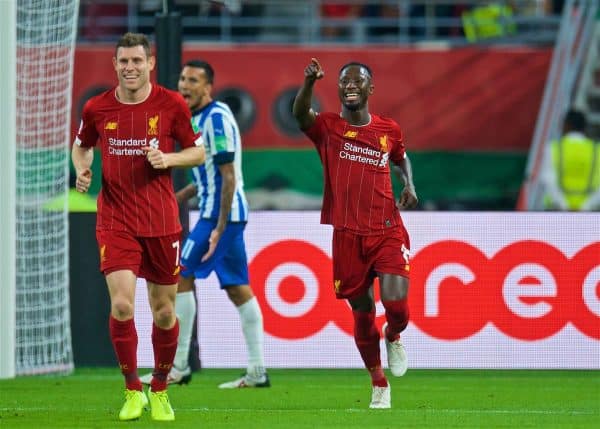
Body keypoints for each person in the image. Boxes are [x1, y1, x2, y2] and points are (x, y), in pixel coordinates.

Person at [71, 33, 205, 421]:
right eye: (123, 61)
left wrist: (168, 159)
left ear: (150, 64)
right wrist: (82, 166)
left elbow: (197, 151)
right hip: (115, 219)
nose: (130, 67)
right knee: (123, 304)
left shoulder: (171, 104)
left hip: (161, 220)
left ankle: (160, 389)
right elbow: (82, 144)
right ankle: (132, 389)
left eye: (136, 61)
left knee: (164, 312)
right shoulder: (98, 107)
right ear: (114, 65)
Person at [292, 58, 418, 409]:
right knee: (362, 311)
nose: (349, 85)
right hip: (347, 235)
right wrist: (308, 84)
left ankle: (393, 334)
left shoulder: (388, 129)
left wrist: (408, 181)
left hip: (387, 230)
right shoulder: (328, 127)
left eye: (357, 81)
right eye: (344, 81)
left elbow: (401, 156)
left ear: (370, 88)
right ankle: (379, 383)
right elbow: (300, 115)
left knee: (395, 305)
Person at [140, 59, 270, 389]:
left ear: (207, 87)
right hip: (221, 213)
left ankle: (179, 367)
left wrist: (219, 227)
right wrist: (177, 197)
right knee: (238, 289)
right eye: (182, 78)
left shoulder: (217, 118)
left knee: (180, 275)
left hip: (220, 216)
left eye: (193, 80)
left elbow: (228, 176)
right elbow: (207, 176)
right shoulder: (195, 120)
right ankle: (257, 371)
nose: (185, 85)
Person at [539, 109, 600, 211]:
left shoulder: (553, 149)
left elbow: (548, 181)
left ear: (566, 125)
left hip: (557, 210)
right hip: (590, 213)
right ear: (584, 128)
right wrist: (585, 207)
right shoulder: (597, 151)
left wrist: (565, 206)